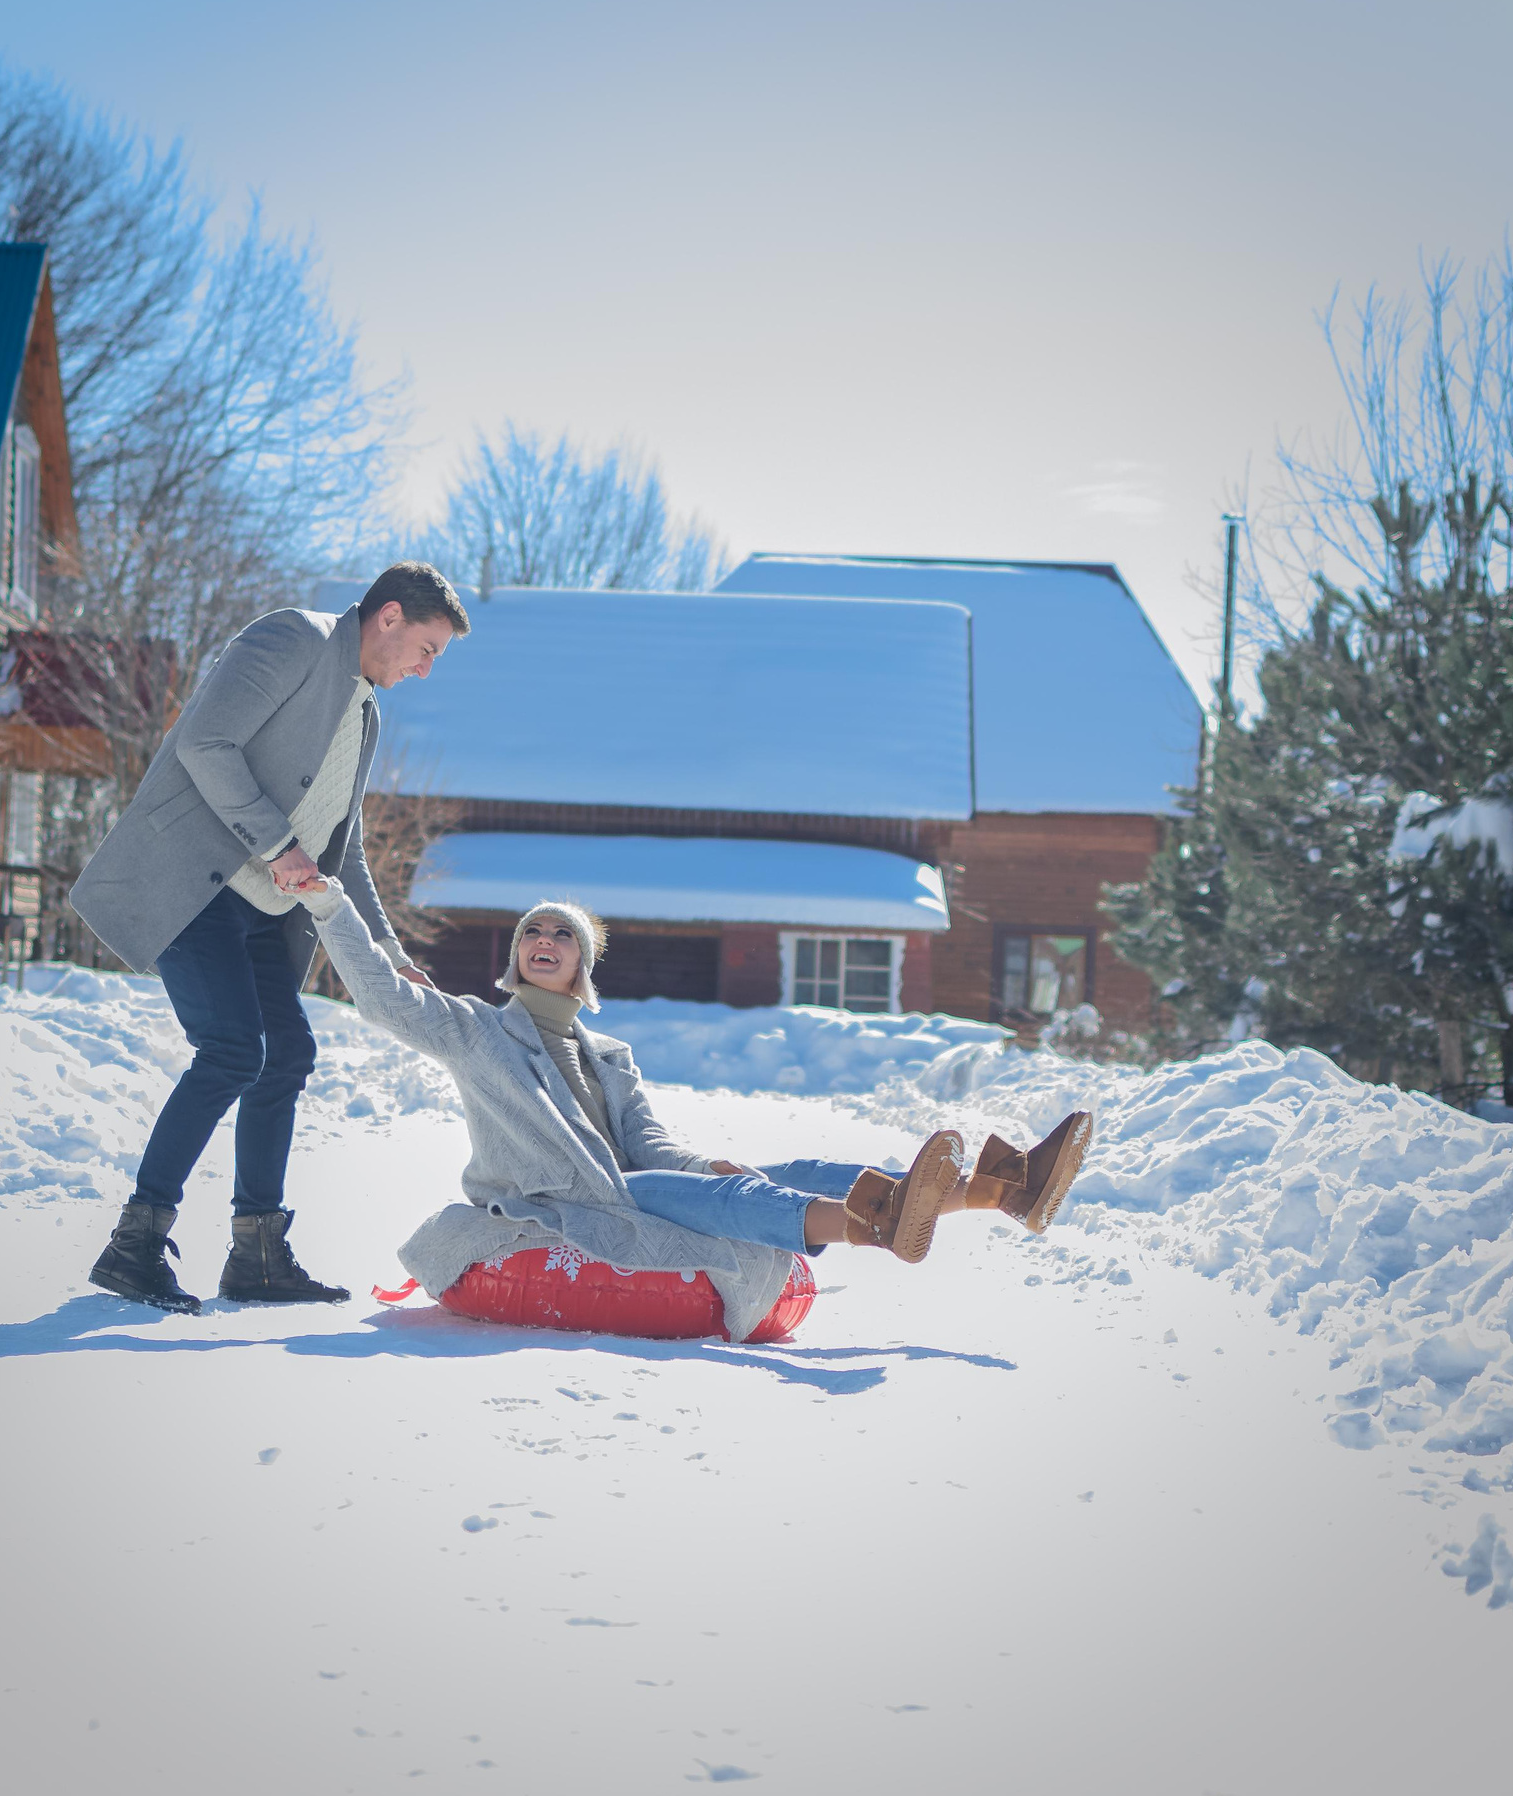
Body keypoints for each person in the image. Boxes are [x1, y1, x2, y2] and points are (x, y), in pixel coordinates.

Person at [289, 882, 1095, 1337]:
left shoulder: (609, 1056)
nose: (544, 937)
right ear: (516, 956)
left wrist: (706, 1164)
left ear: (581, 965)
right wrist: (331, 906)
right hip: (565, 1200)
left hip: (632, 1184)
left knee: (794, 1168)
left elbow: (649, 1143)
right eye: (532, 930)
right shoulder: (477, 1031)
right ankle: (875, 1225)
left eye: (562, 933)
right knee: (733, 1197)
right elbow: (383, 998)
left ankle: (1003, 1189)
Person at [68, 562, 470, 1313]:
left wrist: (387, 950)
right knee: (232, 1050)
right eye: (427, 649)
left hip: (265, 910)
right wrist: (280, 846)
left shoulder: (365, 712)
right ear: (388, 616)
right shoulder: (292, 639)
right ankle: (134, 1245)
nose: (425, 669)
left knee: (285, 1055)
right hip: (197, 883)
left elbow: (341, 843)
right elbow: (207, 743)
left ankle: (256, 1254)